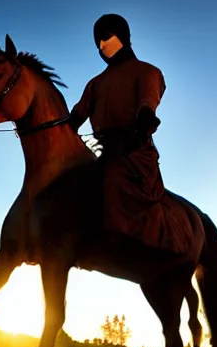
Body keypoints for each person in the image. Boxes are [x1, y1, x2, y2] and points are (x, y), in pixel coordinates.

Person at [69, 13, 188, 253]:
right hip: (102, 148)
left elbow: (147, 101)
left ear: (122, 36)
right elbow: (77, 115)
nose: (101, 46)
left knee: (113, 175)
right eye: (98, 43)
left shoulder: (147, 71)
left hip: (134, 148)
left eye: (106, 38)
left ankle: (118, 238)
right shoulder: (95, 84)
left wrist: (143, 121)